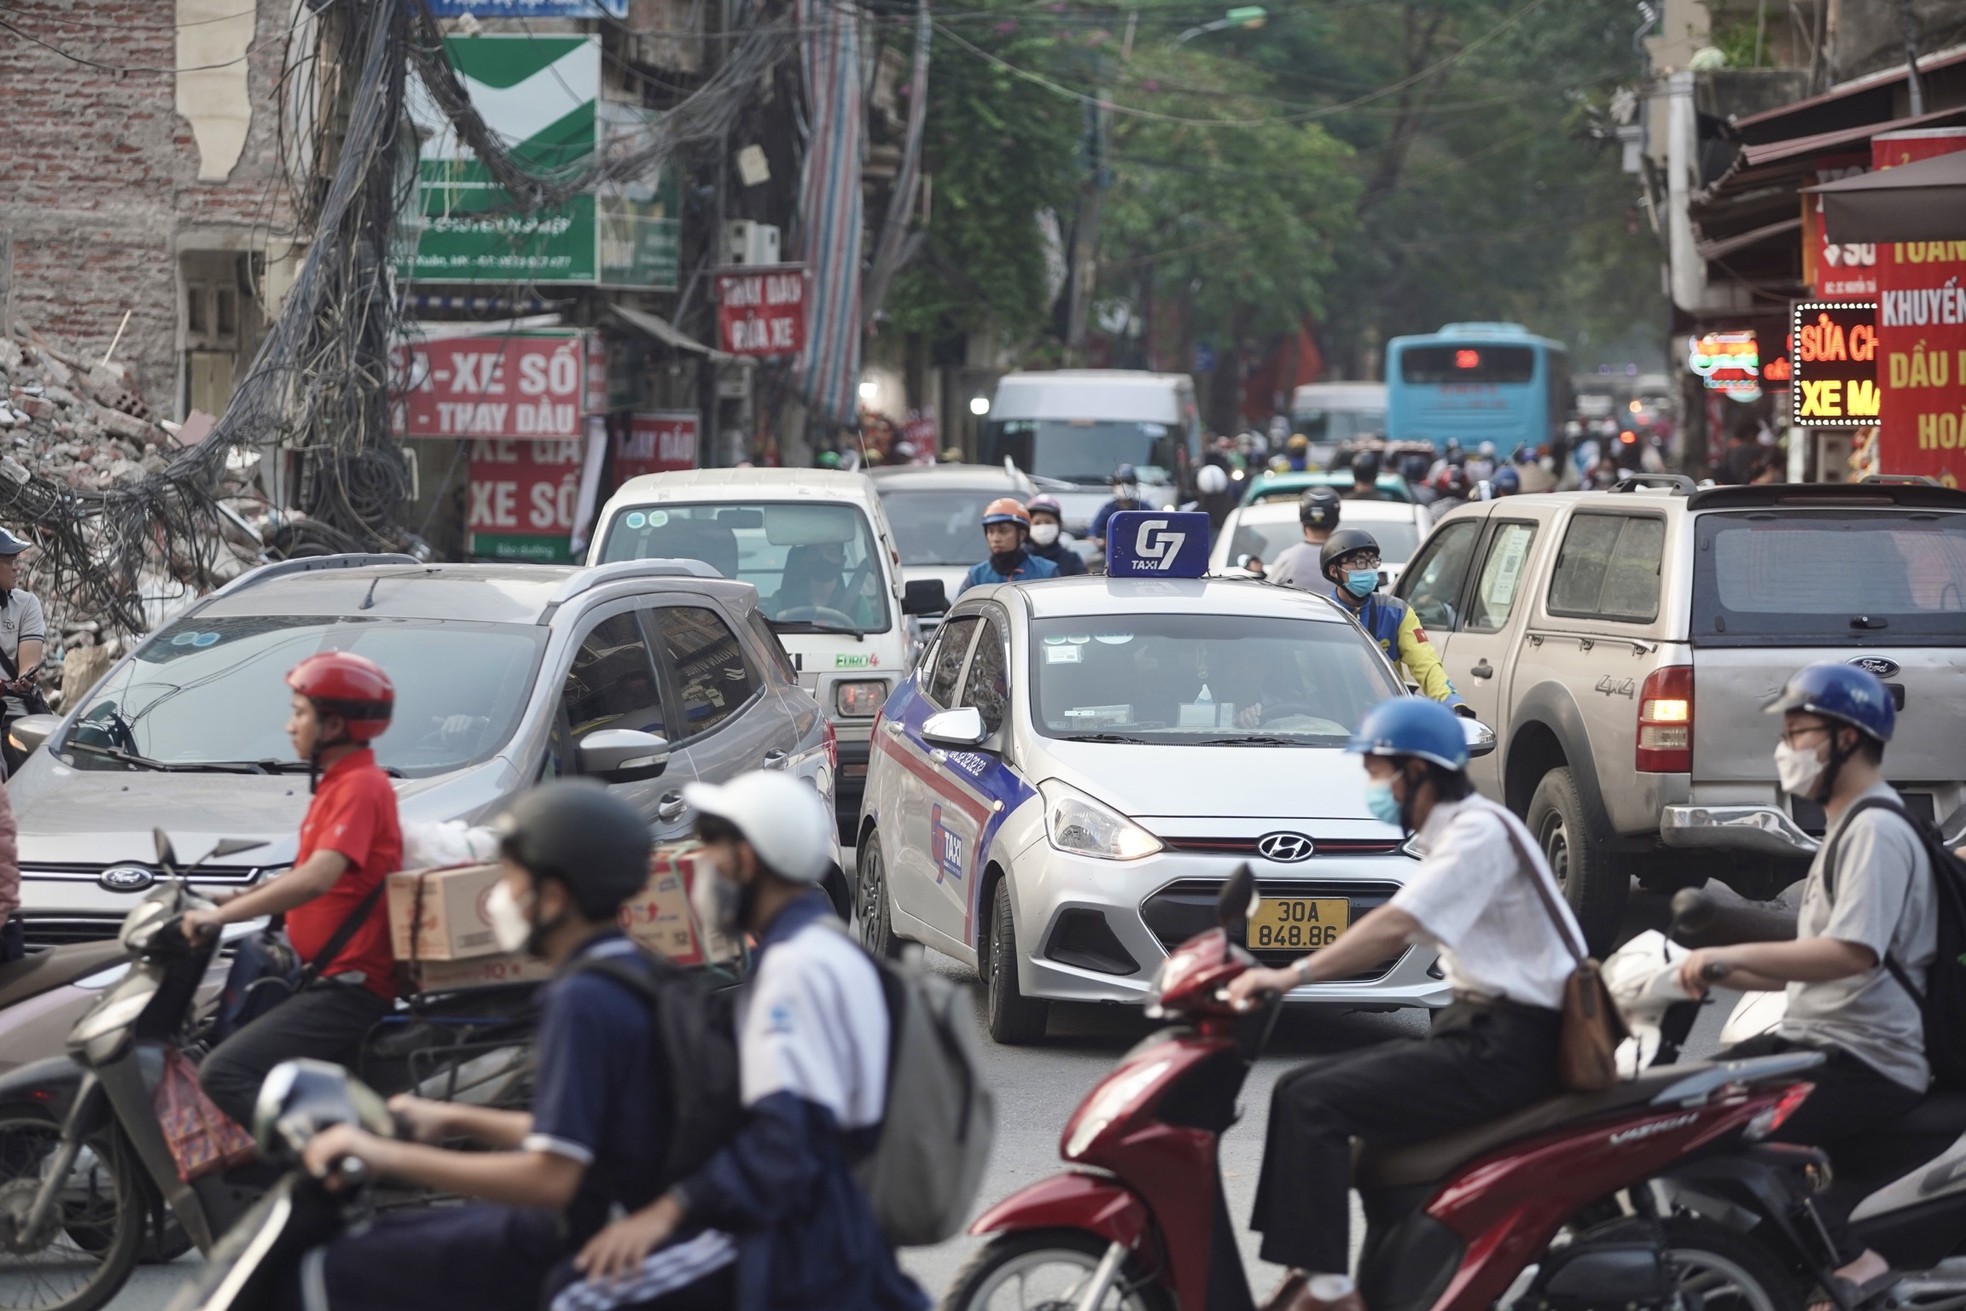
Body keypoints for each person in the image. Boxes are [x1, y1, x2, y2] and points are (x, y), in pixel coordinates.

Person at [1228, 699, 1578, 1311]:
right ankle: (1385, 1286)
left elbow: (1396, 924)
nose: (1371, 788)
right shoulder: (1463, 833)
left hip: (1508, 1044)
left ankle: (1330, 1294)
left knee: (1307, 1097)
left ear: (1416, 772)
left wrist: (1289, 978)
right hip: (1487, 1031)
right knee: (1377, 1157)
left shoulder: (1476, 835)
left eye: (1375, 773)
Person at [294, 782, 684, 1311]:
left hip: (581, 1234)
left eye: (510, 878)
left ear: (553, 897)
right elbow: (579, 1134)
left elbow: (552, 1177)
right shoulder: (634, 969)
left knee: (337, 1264)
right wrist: (454, 1119)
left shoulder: (583, 998)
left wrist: (385, 1153)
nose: (501, 896)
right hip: (605, 1209)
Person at [555, 772, 927, 1311]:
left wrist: (669, 1211)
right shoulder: (825, 946)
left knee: (576, 1297)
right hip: (836, 1226)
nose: (701, 868)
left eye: (711, 851)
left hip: (799, 1242)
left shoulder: (793, 970)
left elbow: (784, 1143)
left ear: (745, 862)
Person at [1677, 663, 1933, 1309]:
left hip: (1864, 1057)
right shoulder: (1850, 825)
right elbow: (1803, 956)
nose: (1786, 749)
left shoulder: (1876, 828)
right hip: (1822, 1041)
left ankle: (1838, 1262)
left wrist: (1719, 960)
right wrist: (1713, 967)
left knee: (1689, 1123)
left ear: (1847, 738)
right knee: (1670, 1109)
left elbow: (1850, 952)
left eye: (1799, 732)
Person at [188, 652, 402, 1127]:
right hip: (321, 976)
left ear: (333, 725)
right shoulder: (338, 785)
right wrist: (235, 901)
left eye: (299, 713)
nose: (289, 726)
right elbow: (308, 875)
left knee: (224, 1071)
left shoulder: (362, 787)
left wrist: (220, 918)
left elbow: (317, 877)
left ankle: (320, 1174)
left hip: (348, 987)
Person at [1318, 529, 1468, 714]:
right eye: (1359, 562)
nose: (1369, 568)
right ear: (1334, 571)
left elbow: (1426, 663)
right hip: (1330, 718)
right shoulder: (1321, 614)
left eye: (1373, 561)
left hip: (1387, 718)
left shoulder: (1396, 612)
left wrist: (1451, 702)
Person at [0, 529, 46, 776]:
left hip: (11, 711)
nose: (16, 568)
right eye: (8, 561)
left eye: (16, 560)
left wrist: (25, 678)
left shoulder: (27, 604)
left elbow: (29, 663)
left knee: (29, 776)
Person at [960, 498, 1061, 595]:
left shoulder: (1047, 572)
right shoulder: (977, 575)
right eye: (991, 531)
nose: (995, 538)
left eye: (1003, 531)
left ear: (1022, 534)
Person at [1265, 489, 1342, 592]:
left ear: (1302, 519)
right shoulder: (1346, 559)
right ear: (1335, 521)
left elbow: (1267, 592)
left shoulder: (1288, 559)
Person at [1024, 495, 1087, 577]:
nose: (1043, 527)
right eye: (1037, 523)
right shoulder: (1019, 559)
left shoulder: (1071, 560)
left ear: (1059, 525)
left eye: (1048, 522)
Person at [1089, 465, 1146, 547]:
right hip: (1111, 555)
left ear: (1135, 485)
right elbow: (1092, 533)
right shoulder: (1107, 510)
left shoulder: (1144, 508)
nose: (1124, 486)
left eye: (1129, 482)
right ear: (1113, 485)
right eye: (1119, 482)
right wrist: (1100, 542)